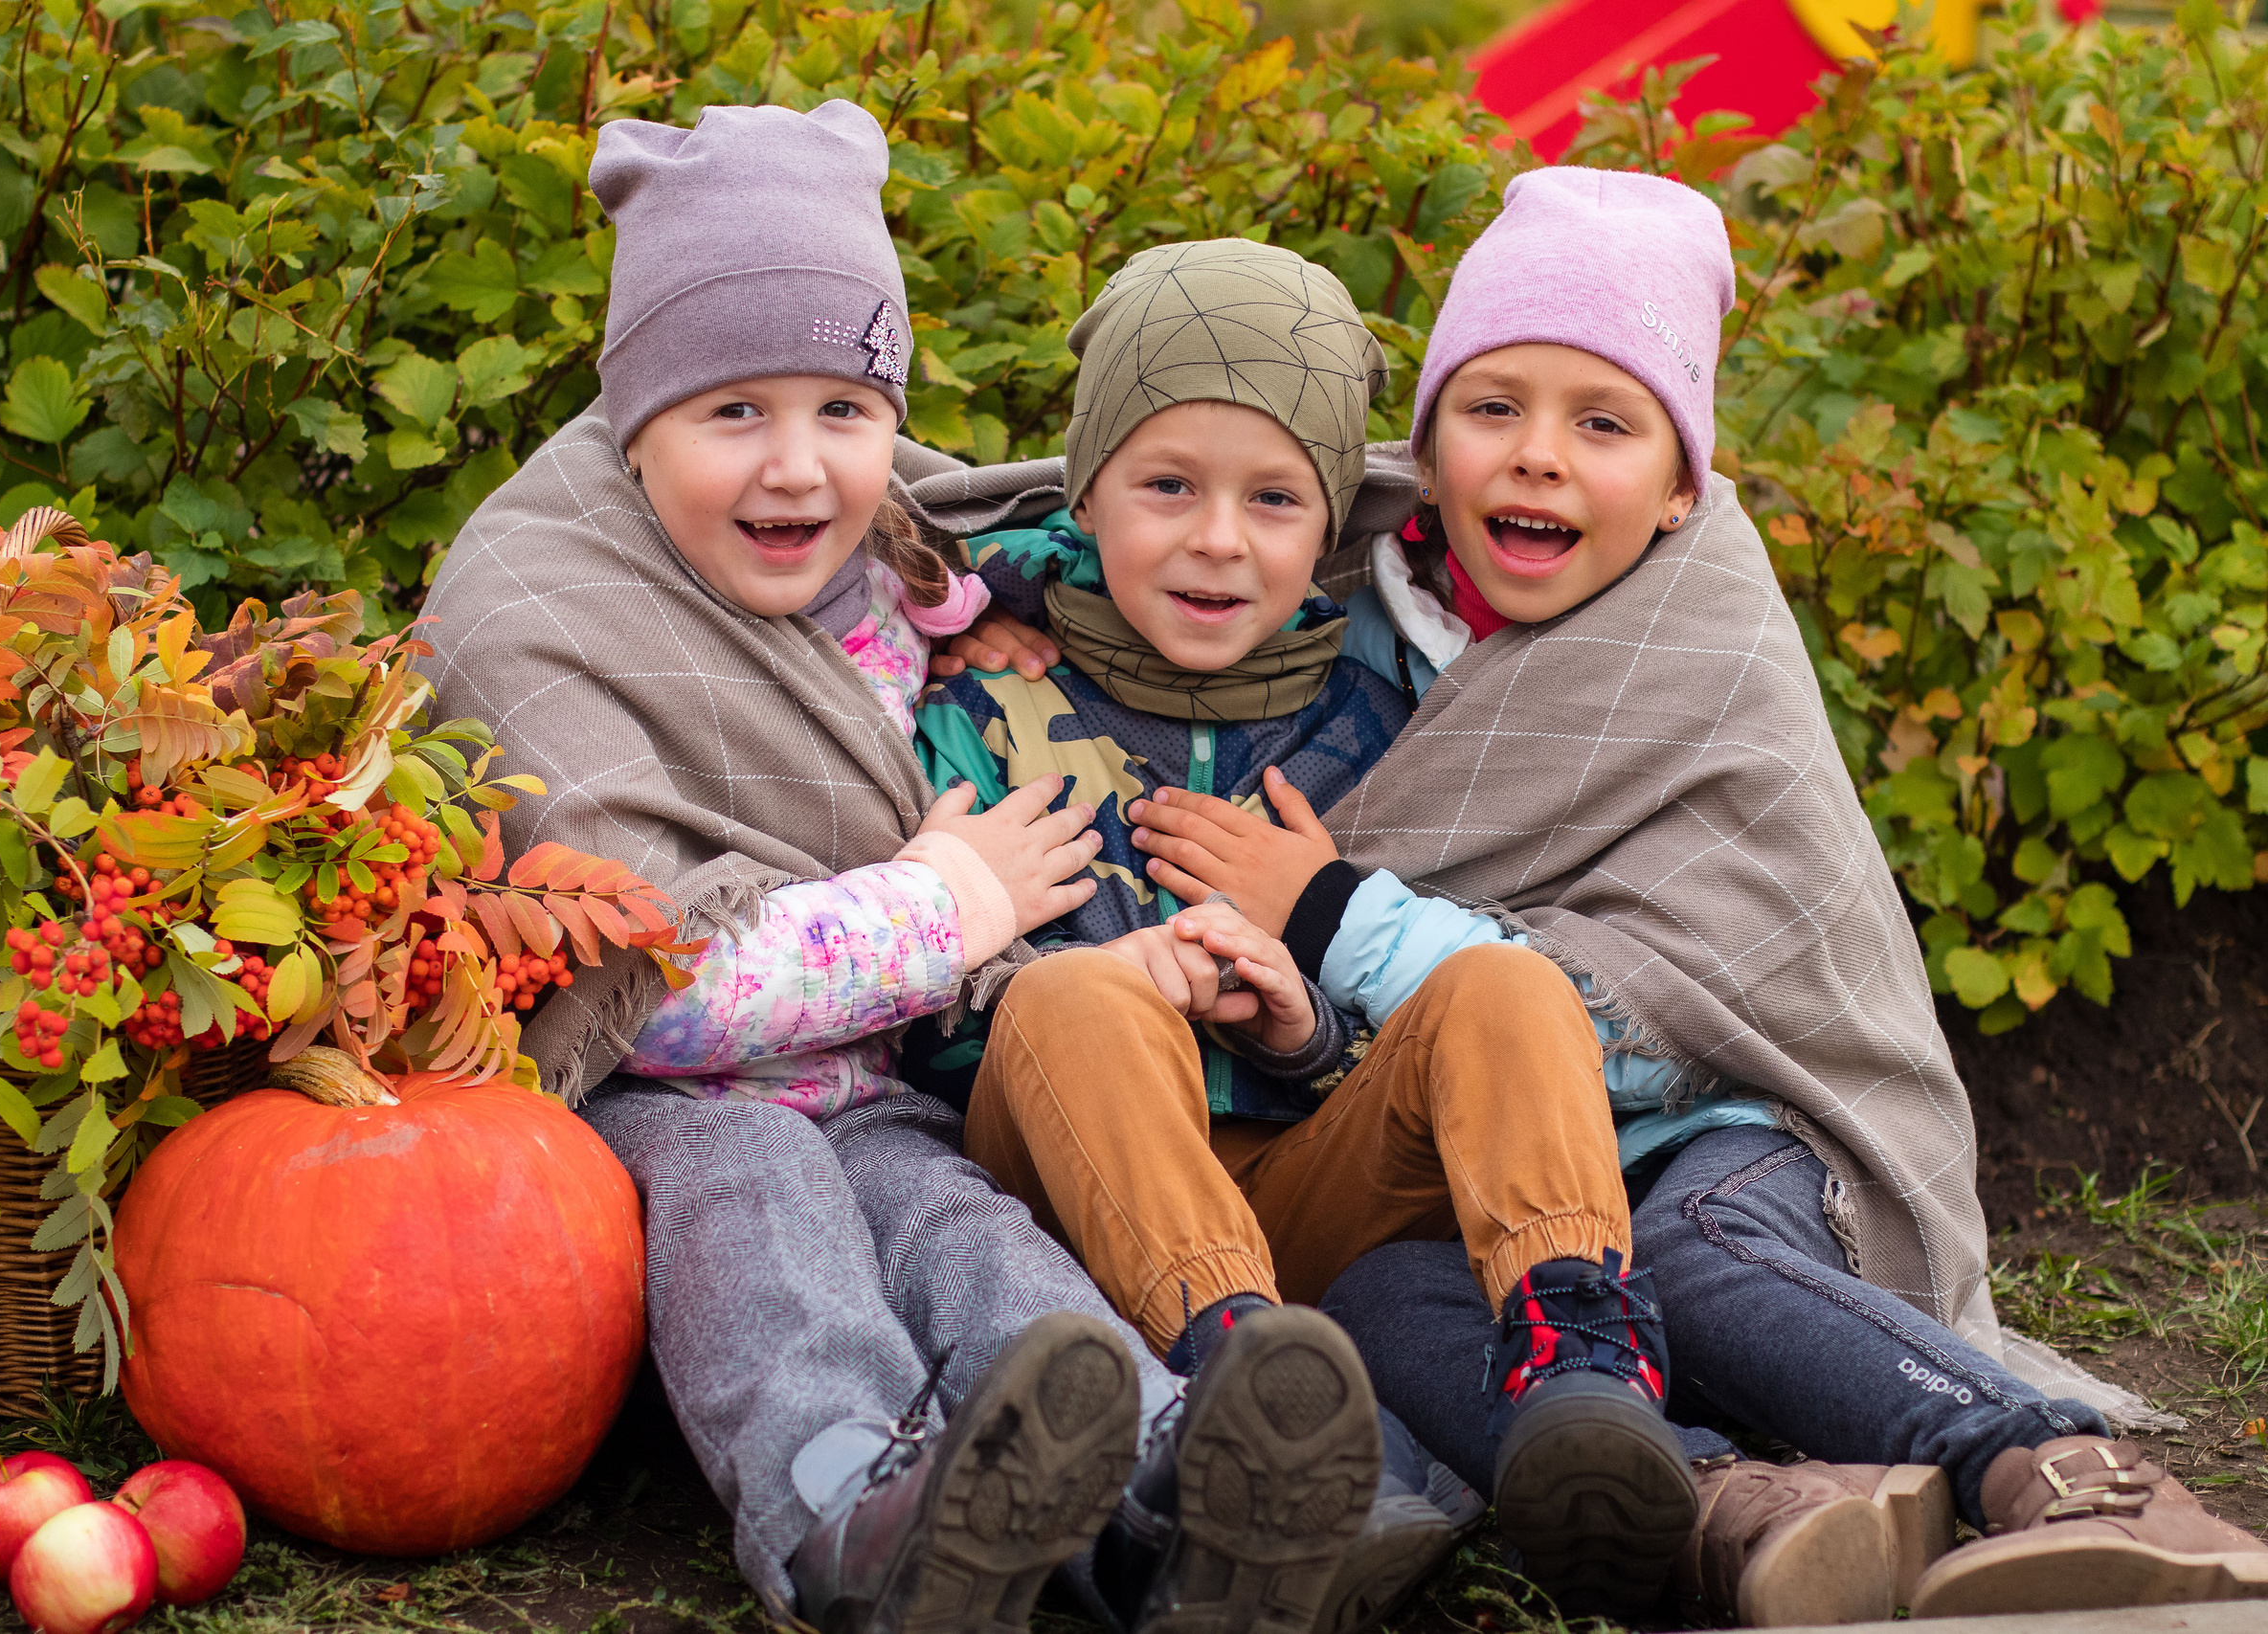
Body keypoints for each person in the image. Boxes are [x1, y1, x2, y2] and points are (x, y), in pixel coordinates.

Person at [1101, 168, 2268, 1625]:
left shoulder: (1702, 640)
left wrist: (1329, 909)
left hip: (1718, 1127)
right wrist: (998, 626)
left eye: (1602, 424)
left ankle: (2057, 1478)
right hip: (1459, 1178)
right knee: (1378, 1307)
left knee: (1691, 1255)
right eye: (1491, 408)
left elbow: (1663, 1026)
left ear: (1677, 482)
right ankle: (1743, 1510)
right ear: (1427, 438)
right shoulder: (1338, 584)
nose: (1535, 460)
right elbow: (1104, 542)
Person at [416, 100, 1395, 1634]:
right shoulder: (548, 594)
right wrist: (952, 903)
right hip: (665, 1110)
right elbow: (642, 982)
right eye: (731, 412)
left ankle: (1175, 1492)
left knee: (975, 1244)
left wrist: (1003, 616)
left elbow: (1021, 545)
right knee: (762, 1223)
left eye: (845, 411)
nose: (799, 468)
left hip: (879, 1090)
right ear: (635, 420)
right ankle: (856, 1512)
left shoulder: (903, 572)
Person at [911, 237, 1703, 1625]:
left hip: (1305, 1194)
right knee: (1077, 1002)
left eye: (1275, 499)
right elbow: (925, 1008)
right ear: (1087, 491)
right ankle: (1243, 1405)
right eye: (1168, 487)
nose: (1220, 539)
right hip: (1081, 1182)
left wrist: (1304, 1025)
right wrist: (1096, 976)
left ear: (1330, 517)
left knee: (1501, 985)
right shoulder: (986, 702)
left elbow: (1398, 1048)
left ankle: (1578, 1352)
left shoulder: (1381, 707)